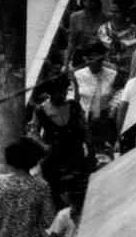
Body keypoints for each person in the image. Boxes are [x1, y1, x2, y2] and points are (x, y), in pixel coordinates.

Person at [30, 73, 91, 214]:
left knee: (79, 189)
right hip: (54, 158)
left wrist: (89, 147)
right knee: (53, 191)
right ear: (50, 93)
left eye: (64, 92)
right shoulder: (40, 111)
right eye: (58, 92)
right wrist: (43, 146)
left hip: (75, 155)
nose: (62, 95)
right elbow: (33, 133)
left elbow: (84, 128)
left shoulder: (74, 106)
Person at [73, 42, 120, 154]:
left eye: (100, 59)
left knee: (106, 153)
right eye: (92, 59)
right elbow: (76, 99)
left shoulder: (112, 74)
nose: (96, 63)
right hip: (86, 119)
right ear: (87, 59)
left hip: (106, 119)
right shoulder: (79, 75)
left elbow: (116, 97)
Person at [97, 0, 136, 86]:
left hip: (129, 71)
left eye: (116, 12)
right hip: (110, 71)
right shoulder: (104, 29)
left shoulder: (135, 30)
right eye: (111, 11)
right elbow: (113, 46)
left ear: (125, 12)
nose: (112, 15)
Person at [61, 0, 106, 69]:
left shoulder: (105, 17)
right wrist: (66, 63)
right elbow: (72, 41)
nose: (88, 1)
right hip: (80, 55)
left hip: (98, 56)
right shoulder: (75, 17)